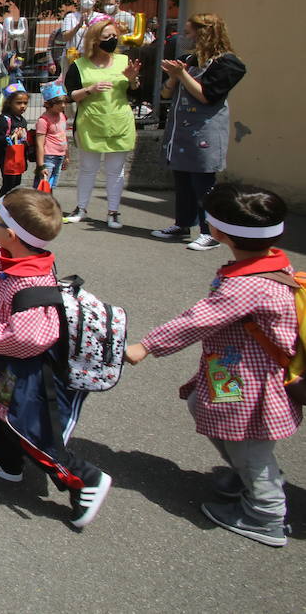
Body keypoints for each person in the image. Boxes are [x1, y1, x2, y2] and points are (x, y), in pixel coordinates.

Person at [125, 184, 299, 547]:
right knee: (214, 418)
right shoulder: (269, 262)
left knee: (250, 445)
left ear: (217, 231)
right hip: (233, 372)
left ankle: (265, 515)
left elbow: (197, 320)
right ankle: (247, 475)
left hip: (250, 383)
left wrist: (146, 346)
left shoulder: (247, 285)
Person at [0, 189, 113, 529]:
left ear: (12, 235)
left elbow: (30, 339)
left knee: (31, 427)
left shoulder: (27, 283)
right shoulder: (26, 260)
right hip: (13, 367)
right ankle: (5, 461)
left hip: (31, 371)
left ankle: (84, 478)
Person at [152, 13, 247, 251]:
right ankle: (183, 224)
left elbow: (207, 96)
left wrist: (182, 74)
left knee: (203, 183)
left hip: (204, 132)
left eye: (190, 32)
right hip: (181, 132)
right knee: (182, 179)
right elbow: (165, 94)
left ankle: (210, 232)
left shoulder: (229, 64)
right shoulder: (189, 59)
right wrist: (174, 78)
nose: (187, 37)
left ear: (204, 32)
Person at [63, 16, 142, 228]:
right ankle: (81, 208)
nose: (113, 40)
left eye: (115, 36)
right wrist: (90, 89)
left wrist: (133, 79)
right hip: (90, 124)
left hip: (119, 123)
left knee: (115, 170)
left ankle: (113, 212)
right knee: (88, 168)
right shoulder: (79, 65)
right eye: (107, 36)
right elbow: (69, 95)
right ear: (95, 40)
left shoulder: (125, 62)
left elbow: (136, 91)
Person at [0, 84, 30, 200]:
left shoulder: (22, 120)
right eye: (19, 103)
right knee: (8, 185)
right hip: (7, 158)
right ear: (9, 103)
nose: (23, 106)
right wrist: (12, 137)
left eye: (25, 103)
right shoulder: (4, 119)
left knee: (16, 185)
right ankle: (0, 208)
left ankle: (11, 210)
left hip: (19, 158)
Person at [33, 82, 70, 196]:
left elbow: (64, 136)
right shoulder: (43, 121)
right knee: (42, 186)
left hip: (60, 156)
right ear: (49, 104)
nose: (63, 105)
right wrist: (41, 165)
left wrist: (66, 155)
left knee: (51, 185)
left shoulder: (62, 116)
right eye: (59, 102)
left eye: (64, 102)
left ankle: (48, 208)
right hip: (48, 157)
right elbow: (39, 143)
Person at [57, 0, 100, 69]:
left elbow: (101, 37)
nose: (88, 0)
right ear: (79, 0)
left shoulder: (100, 17)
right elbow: (65, 37)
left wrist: (89, 25)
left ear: (96, 0)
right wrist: (78, 26)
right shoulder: (70, 17)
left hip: (92, 56)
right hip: (73, 57)